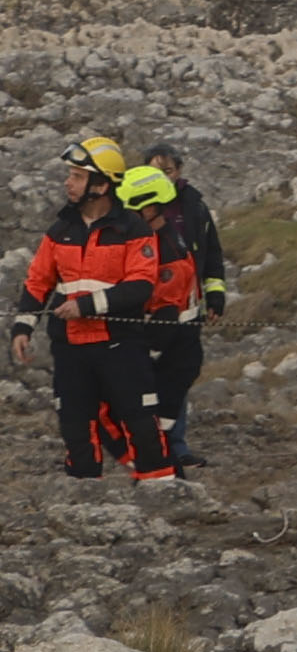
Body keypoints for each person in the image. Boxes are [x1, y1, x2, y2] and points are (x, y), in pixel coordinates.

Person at [14, 137, 176, 484]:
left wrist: (85, 306)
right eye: (69, 175)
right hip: (70, 348)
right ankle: (85, 496)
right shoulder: (60, 230)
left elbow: (140, 285)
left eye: (76, 176)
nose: (67, 183)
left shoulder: (133, 229)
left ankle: (162, 492)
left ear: (101, 185)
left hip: (121, 345)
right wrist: (22, 328)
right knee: (75, 424)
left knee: (140, 419)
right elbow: (37, 281)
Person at [114, 163, 211, 471]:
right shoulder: (162, 239)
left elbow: (165, 311)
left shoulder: (165, 252)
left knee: (160, 423)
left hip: (171, 348)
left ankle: (167, 476)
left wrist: (147, 355)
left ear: (149, 208)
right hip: (175, 345)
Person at [137, 142, 224, 465]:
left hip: (187, 310)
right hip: (144, 313)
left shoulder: (194, 205)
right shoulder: (131, 205)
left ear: (179, 172)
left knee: (179, 378)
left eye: (168, 171)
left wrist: (215, 294)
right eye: (155, 171)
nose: (163, 177)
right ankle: (143, 445)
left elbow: (211, 252)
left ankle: (176, 446)